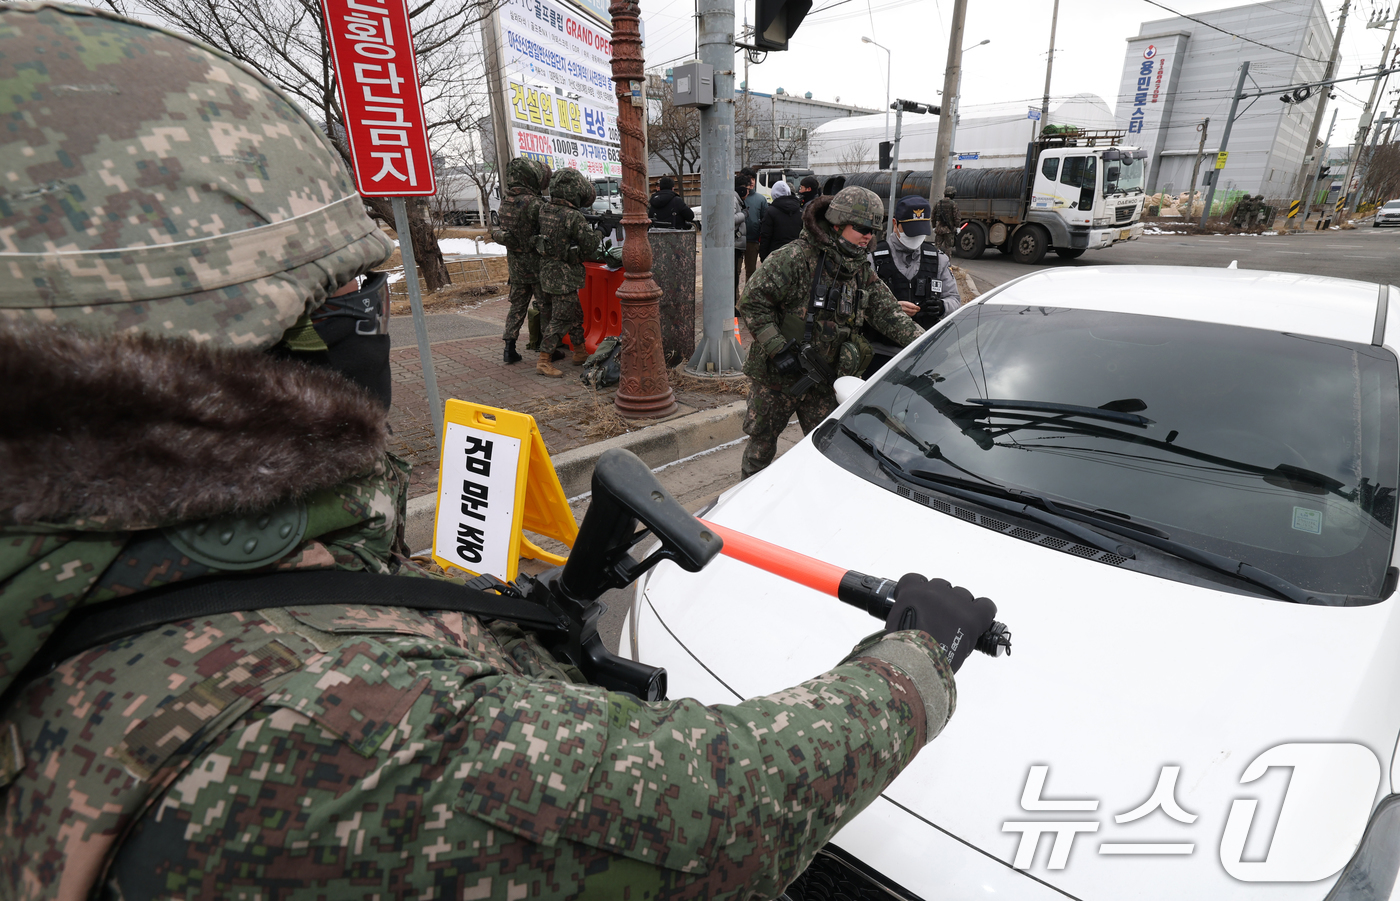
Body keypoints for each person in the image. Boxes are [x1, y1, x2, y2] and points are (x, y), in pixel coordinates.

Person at [0, 8, 1002, 900]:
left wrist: (513, 612)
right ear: (203, 337)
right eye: (340, 295)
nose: (367, 312)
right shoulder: (305, 720)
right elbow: (712, 815)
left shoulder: (134, 542)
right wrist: (915, 660)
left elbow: (313, 589)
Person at [739, 186, 924, 479]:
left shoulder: (859, 269)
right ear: (837, 223)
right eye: (862, 228)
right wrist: (777, 347)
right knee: (760, 448)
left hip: (823, 378)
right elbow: (752, 302)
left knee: (829, 450)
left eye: (872, 231)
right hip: (777, 376)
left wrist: (928, 345)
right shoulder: (794, 257)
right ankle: (744, 505)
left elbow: (888, 314)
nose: (868, 237)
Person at [864, 196, 961, 377]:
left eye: (920, 232)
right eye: (910, 232)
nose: (916, 238)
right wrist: (889, 309)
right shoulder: (873, 258)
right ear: (895, 224)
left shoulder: (938, 259)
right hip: (880, 354)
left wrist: (941, 307)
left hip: (923, 352)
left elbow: (955, 300)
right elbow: (857, 303)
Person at [534, 167, 607, 378]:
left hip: (547, 271)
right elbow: (590, 244)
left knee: (576, 314)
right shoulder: (572, 216)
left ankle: (580, 352)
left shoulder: (545, 209)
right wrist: (602, 230)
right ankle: (544, 360)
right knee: (562, 318)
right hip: (564, 275)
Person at [493, 157, 551, 364]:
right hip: (536, 267)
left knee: (517, 307)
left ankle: (509, 348)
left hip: (516, 268)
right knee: (545, 306)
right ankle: (547, 350)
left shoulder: (505, 201)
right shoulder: (535, 204)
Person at [758, 179, 802, 261]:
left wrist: (763, 256)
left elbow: (766, 236)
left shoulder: (771, 211)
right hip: (796, 254)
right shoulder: (799, 210)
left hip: (775, 255)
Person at [742, 169, 767, 282]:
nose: (751, 182)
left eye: (753, 179)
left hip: (753, 240)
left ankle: (747, 297)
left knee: (751, 271)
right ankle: (734, 297)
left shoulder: (761, 199)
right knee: (735, 270)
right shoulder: (735, 197)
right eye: (748, 179)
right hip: (736, 240)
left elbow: (765, 219)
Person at [733, 173, 751, 304]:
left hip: (738, 244)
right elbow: (729, 219)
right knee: (733, 276)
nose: (748, 192)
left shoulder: (738, 200)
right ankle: (732, 304)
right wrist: (743, 214)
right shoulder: (733, 200)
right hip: (733, 245)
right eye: (747, 189)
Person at [934, 184, 960, 254]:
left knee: (937, 247)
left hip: (939, 229)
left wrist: (934, 226)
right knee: (948, 247)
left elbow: (933, 215)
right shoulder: (953, 204)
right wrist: (957, 227)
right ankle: (947, 262)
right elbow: (956, 217)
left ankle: (935, 260)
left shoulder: (939, 203)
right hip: (949, 230)